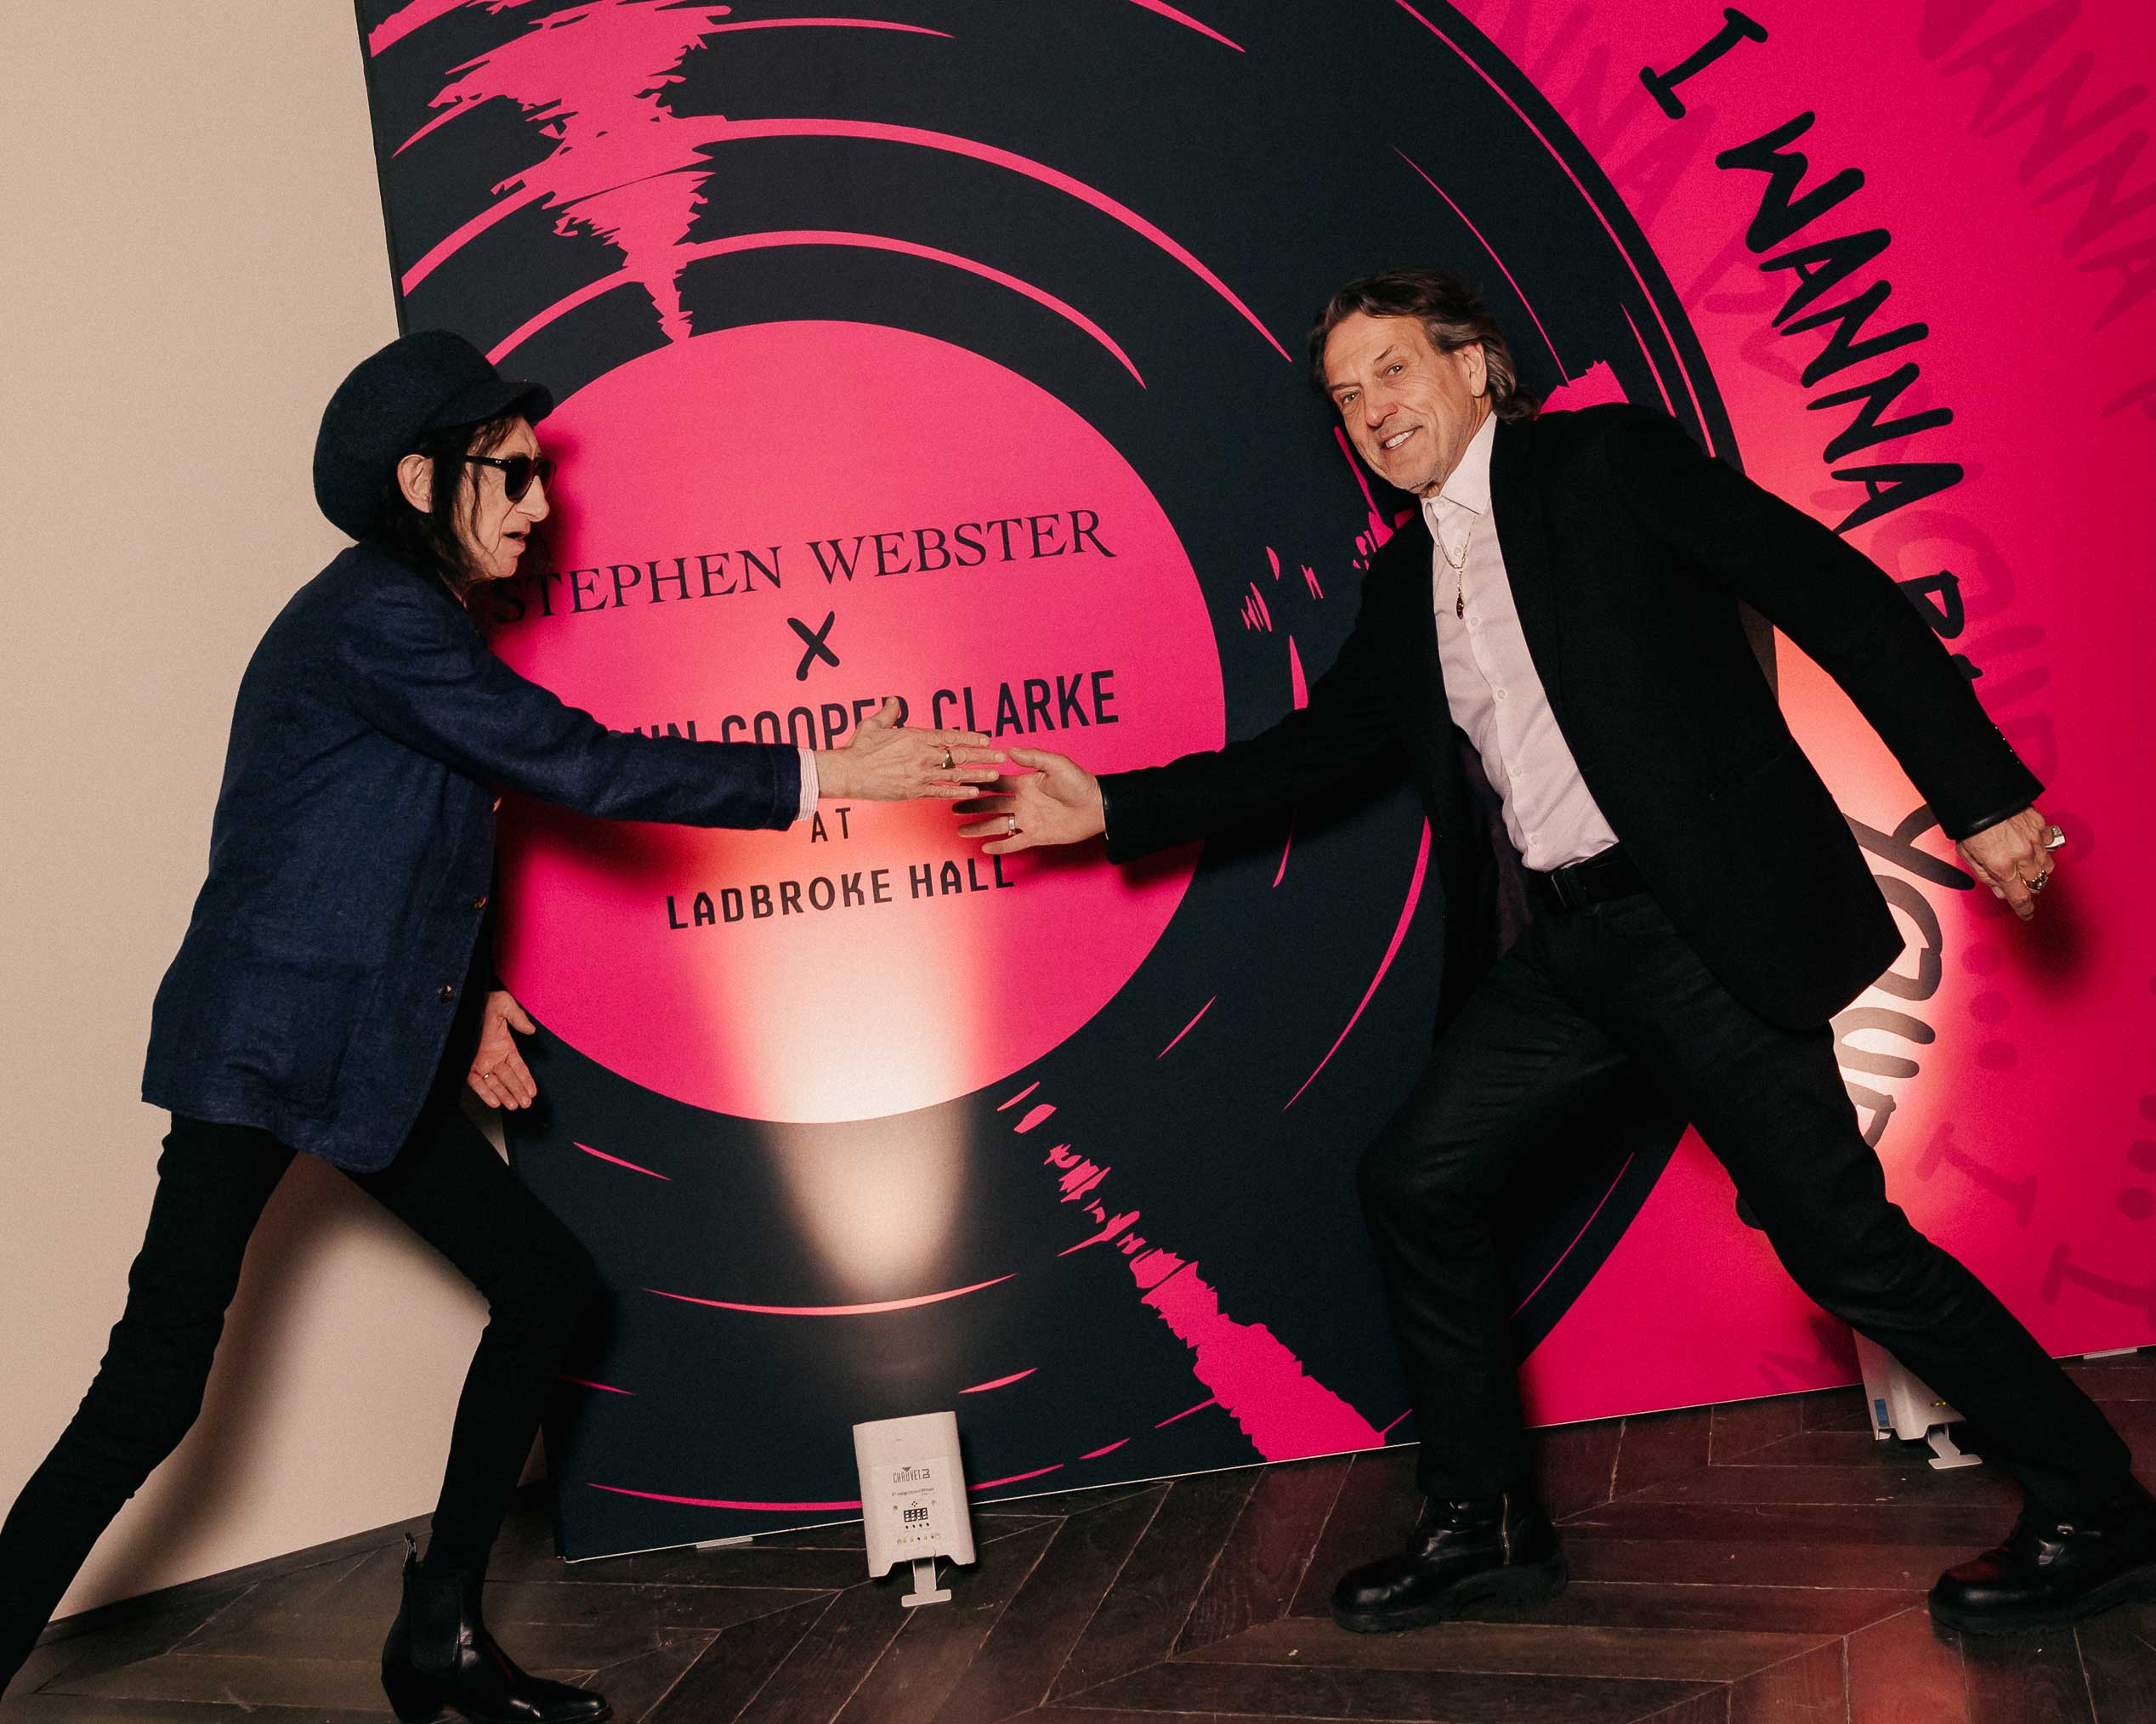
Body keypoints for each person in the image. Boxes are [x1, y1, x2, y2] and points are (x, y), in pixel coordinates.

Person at [955, 268, 2153, 1638]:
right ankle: (1486, 1525)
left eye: (1392, 370)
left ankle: (2096, 1506)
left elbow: (1834, 596)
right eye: (1346, 398)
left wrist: (1981, 796)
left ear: (1475, 365)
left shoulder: (1603, 465)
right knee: (1417, 1181)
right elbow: (1316, 749)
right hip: (1565, 948)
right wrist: (1112, 807)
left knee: (1842, 1249)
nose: (1372, 411)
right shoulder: (1407, 578)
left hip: (1700, 929)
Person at [0, 330, 1002, 1723]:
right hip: (265, 1044)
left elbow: (371, 832)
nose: (542, 504)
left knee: (544, 1287)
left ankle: (439, 1638)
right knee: (154, 1385)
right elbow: (572, 762)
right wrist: (826, 772)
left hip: (358, 1043)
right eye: (512, 473)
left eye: (542, 474)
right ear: (423, 481)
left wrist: (465, 995)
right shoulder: (376, 615)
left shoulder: (409, 625)